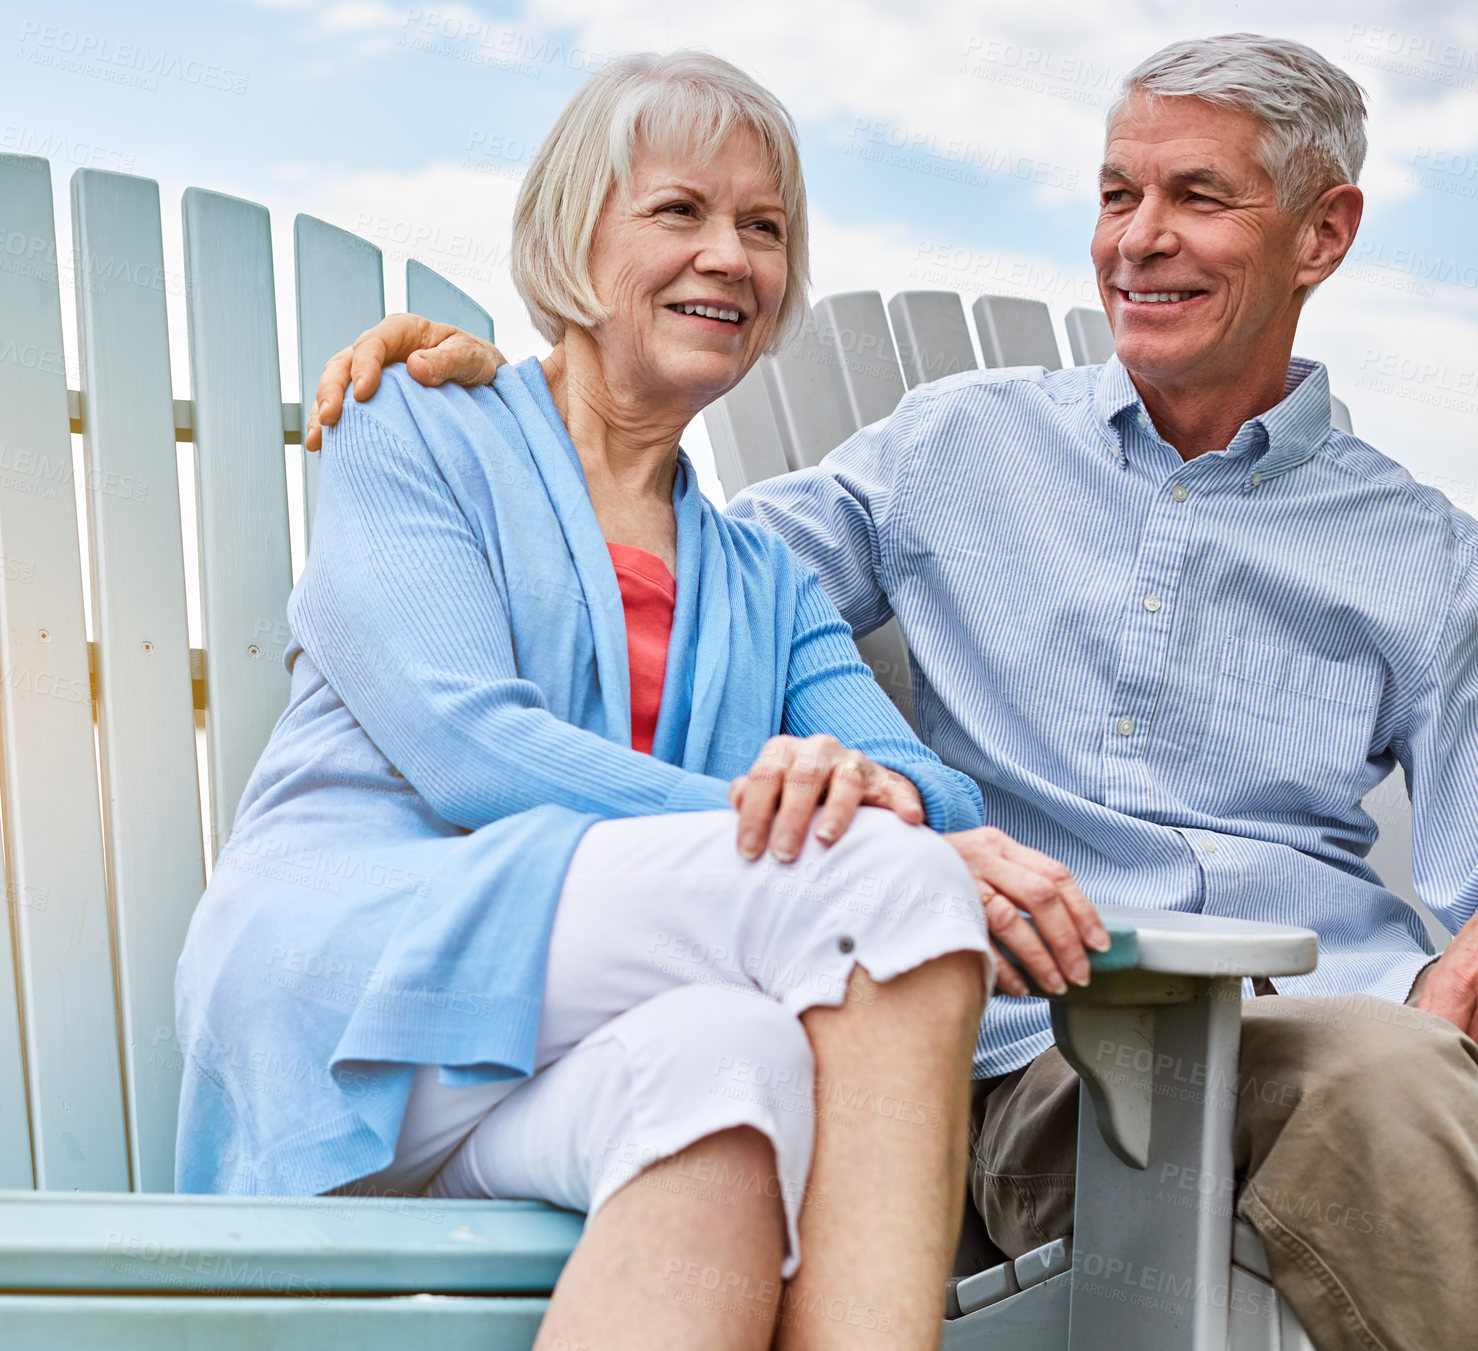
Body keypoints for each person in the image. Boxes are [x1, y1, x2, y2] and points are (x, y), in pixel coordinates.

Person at [315, 33, 1478, 1351]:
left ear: (1322, 236)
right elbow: (678, 573)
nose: (1136, 241)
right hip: (1074, 1067)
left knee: (1399, 1073)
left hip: (1359, 1031)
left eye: (1195, 199)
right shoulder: (952, 448)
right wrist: (533, 392)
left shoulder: (1425, 554)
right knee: (1386, 1088)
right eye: (1114, 196)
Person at [177, 50, 1110, 1351]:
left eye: (763, 228)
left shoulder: (763, 579)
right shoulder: (423, 433)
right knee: (889, 887)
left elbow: (926, 790)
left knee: (736, 1075)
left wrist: (873, 792)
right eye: (679, 211)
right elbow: (469, 750)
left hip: (567, 1052)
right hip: (366, 992)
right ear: (574, 233)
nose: (729, 255)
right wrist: (811, 834)